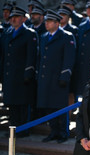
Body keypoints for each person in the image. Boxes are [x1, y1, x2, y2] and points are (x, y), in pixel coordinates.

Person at [37, 9, 76, 143]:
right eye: (46, 21)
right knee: (49, 106)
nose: (46, 24)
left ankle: (63, 132)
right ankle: (53, 131)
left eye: (49, 21)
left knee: (61, 107)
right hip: (46, 78)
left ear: (57, 23)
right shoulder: (43, 37)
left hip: (59, 78)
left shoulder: (66, 36)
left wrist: (65, 76)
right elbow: (40, 57)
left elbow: (69, 58)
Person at [1, 6, 38, 137]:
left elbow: (31, 56)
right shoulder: (7, 33)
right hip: (9, 75)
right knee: (12, 104)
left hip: (22, 76)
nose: (14, 20)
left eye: (16, 17)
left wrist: (28, 73)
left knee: (22, 104)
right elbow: (4, 56)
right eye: (12, 17)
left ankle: (23, 129)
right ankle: (13, 129)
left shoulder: (29, 33)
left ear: (23, 19)